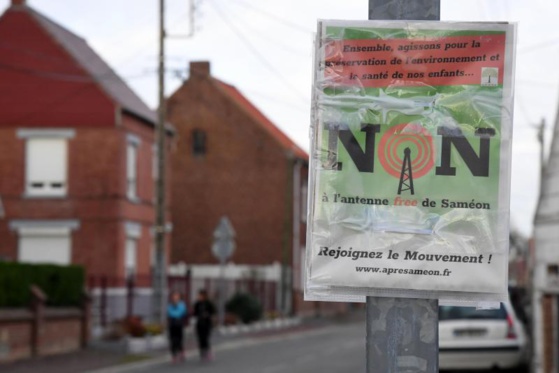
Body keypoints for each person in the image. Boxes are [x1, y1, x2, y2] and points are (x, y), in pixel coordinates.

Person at [193, 289, 216, 361]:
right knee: (200, 339)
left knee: (206, 338)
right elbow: (194, 313)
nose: (199, 297)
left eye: (201, 295)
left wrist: (207, 314)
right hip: (199, 324)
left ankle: (208, 352)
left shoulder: (208, 303)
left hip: (207, 323)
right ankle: (202, 352)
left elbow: (213, 311)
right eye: (199, 295)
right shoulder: (197, 304)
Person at [167, 291, 187, 363]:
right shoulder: (170, 305)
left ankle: (181, 351)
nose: (175, 298)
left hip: (179, 323)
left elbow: (182, 313)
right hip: (172, 323)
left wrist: (175, 313)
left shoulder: (182, 305)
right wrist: (175, 313)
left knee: (179, 339)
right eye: (174, 296)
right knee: (172, 340)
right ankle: (174, 355)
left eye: (176, 296)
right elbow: (169, 313)